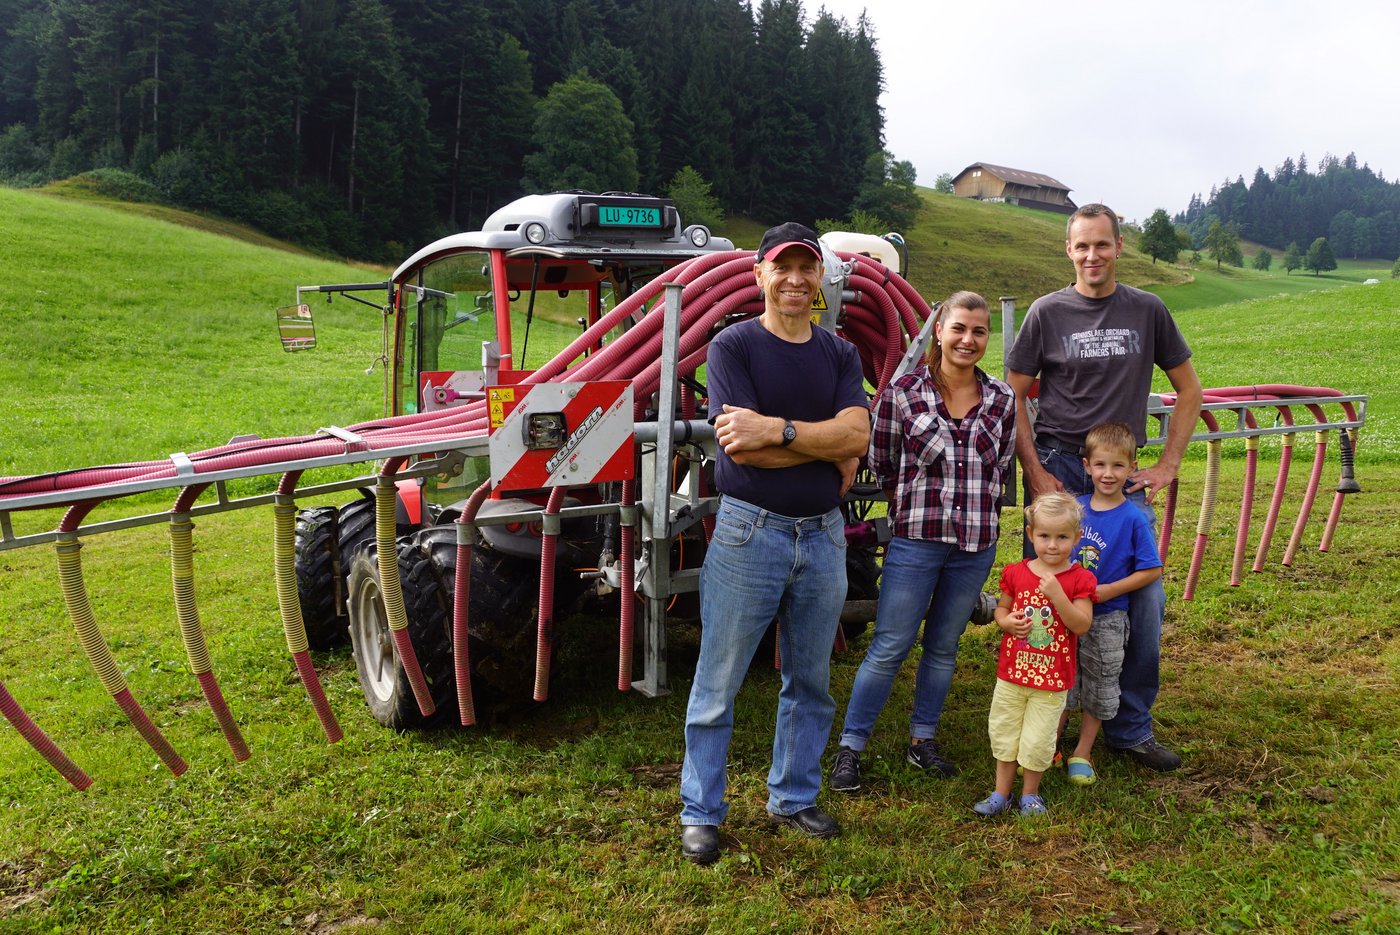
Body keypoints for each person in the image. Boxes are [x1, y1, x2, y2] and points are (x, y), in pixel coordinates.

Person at [679, 222, 870, 865]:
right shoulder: (732, 347)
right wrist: (819, 446)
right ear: (759, 273)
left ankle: (794, 797)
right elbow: (741, 452)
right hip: (748, 530)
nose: (794, 279)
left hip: (823, 537)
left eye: (806, 267)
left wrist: (778, 432)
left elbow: (858, 438)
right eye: (781, 267)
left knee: (810, 680)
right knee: (720, 679)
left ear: (821, 278)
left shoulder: (841, 355)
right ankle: (701, 811)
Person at [1006, 203, 1203, 772]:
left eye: (1102, 244)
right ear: (1068, 251)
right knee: (1045, 596)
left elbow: (1188, 391)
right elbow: (1012, 394)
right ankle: (1041, 723)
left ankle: (1129, 727)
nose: (1092, 256)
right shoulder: (1047, 313)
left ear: (1119, 246)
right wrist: (1036, 472)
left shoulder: (1147, 310)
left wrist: (1166, 464)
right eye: (1081, 246)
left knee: (1143, 598)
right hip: (1059, 469)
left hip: (1119, 475)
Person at [829, 291, 1015, 793]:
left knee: (943, 646)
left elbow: (1000, 464)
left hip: (975, 542)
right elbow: (883, 460)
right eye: (959, 328)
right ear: (939, 330)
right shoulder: (903, 393)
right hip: (917, 539)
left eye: (978, 332)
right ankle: (851, 746)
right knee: (889, 644)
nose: (967, 340)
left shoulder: (1002, 399)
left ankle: (923, 740)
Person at [973, 492, 1095, 818]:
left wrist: (1058, 596)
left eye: (1062, 537)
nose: (1052, 545)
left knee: (1039, 740)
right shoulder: (1016, 572)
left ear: (1076, 538)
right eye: (1044, 536)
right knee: (1005, 732)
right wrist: (1005, 621)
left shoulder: (1080, 578)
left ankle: (1030, 794)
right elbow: (1002, 608)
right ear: (1030, 534)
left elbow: (1081, 624)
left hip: (1051, 681)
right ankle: (1001, 792)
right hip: (1012, 674)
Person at [1060, 421, 1164, 786]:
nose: (1108, 474)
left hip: (1106, 618)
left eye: (1118, 466)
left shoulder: (1134, 519)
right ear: (1086, 465)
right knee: (1063, 681)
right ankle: (1050, 744)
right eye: (1100, 465)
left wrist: (1109, 591)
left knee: (1100, 683)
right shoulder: (1074, 511)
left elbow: (1151, 569)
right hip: (1067, 617)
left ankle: (1083, 751)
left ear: (1132, 468)